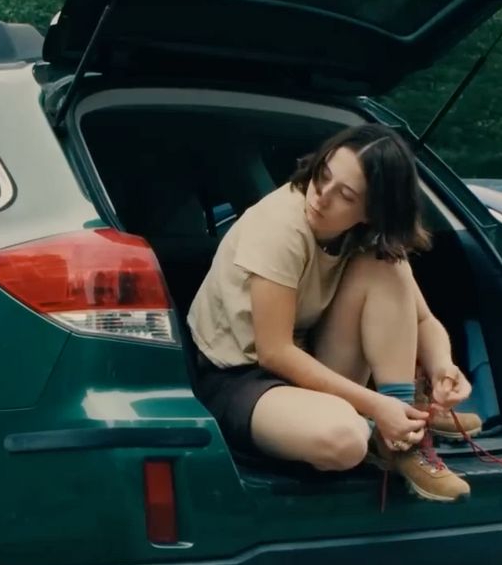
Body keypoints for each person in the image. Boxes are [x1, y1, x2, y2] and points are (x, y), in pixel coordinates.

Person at [186, 124, 483, 503]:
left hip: (306, 361)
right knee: (344, 440)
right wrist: (376, 405)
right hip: (238, 375)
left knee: (387, 265)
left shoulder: (365, 236)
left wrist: (443, 366)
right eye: (322, 175)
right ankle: (390, 420)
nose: (321, 196)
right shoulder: (279, 226)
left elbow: (424, 320)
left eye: (345, 194)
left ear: (372, 212)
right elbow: (273, 352)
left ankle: (403, 434)